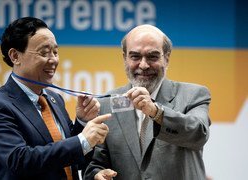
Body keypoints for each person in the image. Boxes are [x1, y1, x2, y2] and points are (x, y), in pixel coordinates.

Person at [0, 17, 111, 180]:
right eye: (44, 52)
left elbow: (69, 158)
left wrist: (82, 122)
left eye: (55, 52)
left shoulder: (54, 99)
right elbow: (20, 160)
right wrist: (82, 140)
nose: (54, 59)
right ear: (15, 56)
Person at [84, 25, 211, 180]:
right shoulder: (106, 103)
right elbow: (95, 165)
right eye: (135, 56)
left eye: (152, 56)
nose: (143, 65)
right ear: (125, 58)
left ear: (167, 58)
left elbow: (199, 135)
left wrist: (156, 112)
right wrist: (97, 174)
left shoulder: (193, 95)